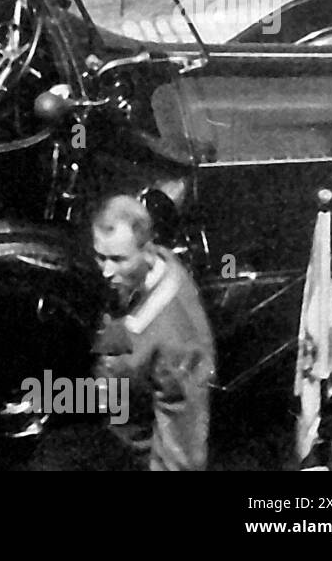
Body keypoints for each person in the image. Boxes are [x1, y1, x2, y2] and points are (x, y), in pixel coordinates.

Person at [90, 195, 216, 471]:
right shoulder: (135, 273)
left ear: (147, 250)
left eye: (118, 259)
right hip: (112, 419)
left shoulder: (175, 338)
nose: (106, 271)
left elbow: (181, 448)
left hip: (139, 452)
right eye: (100, 257)